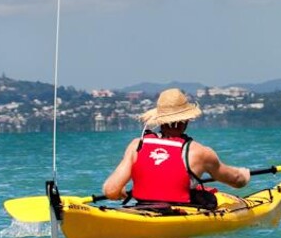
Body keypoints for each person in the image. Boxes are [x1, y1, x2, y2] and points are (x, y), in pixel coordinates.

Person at [103, 88, 250, 206]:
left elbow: (110, 191)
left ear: (160, 120)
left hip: (143, 209)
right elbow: (236, 181)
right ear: (186, 120)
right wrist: (244, 174)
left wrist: (121, 192)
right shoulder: (200, 152)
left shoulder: (137, 145)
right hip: (179, 234)